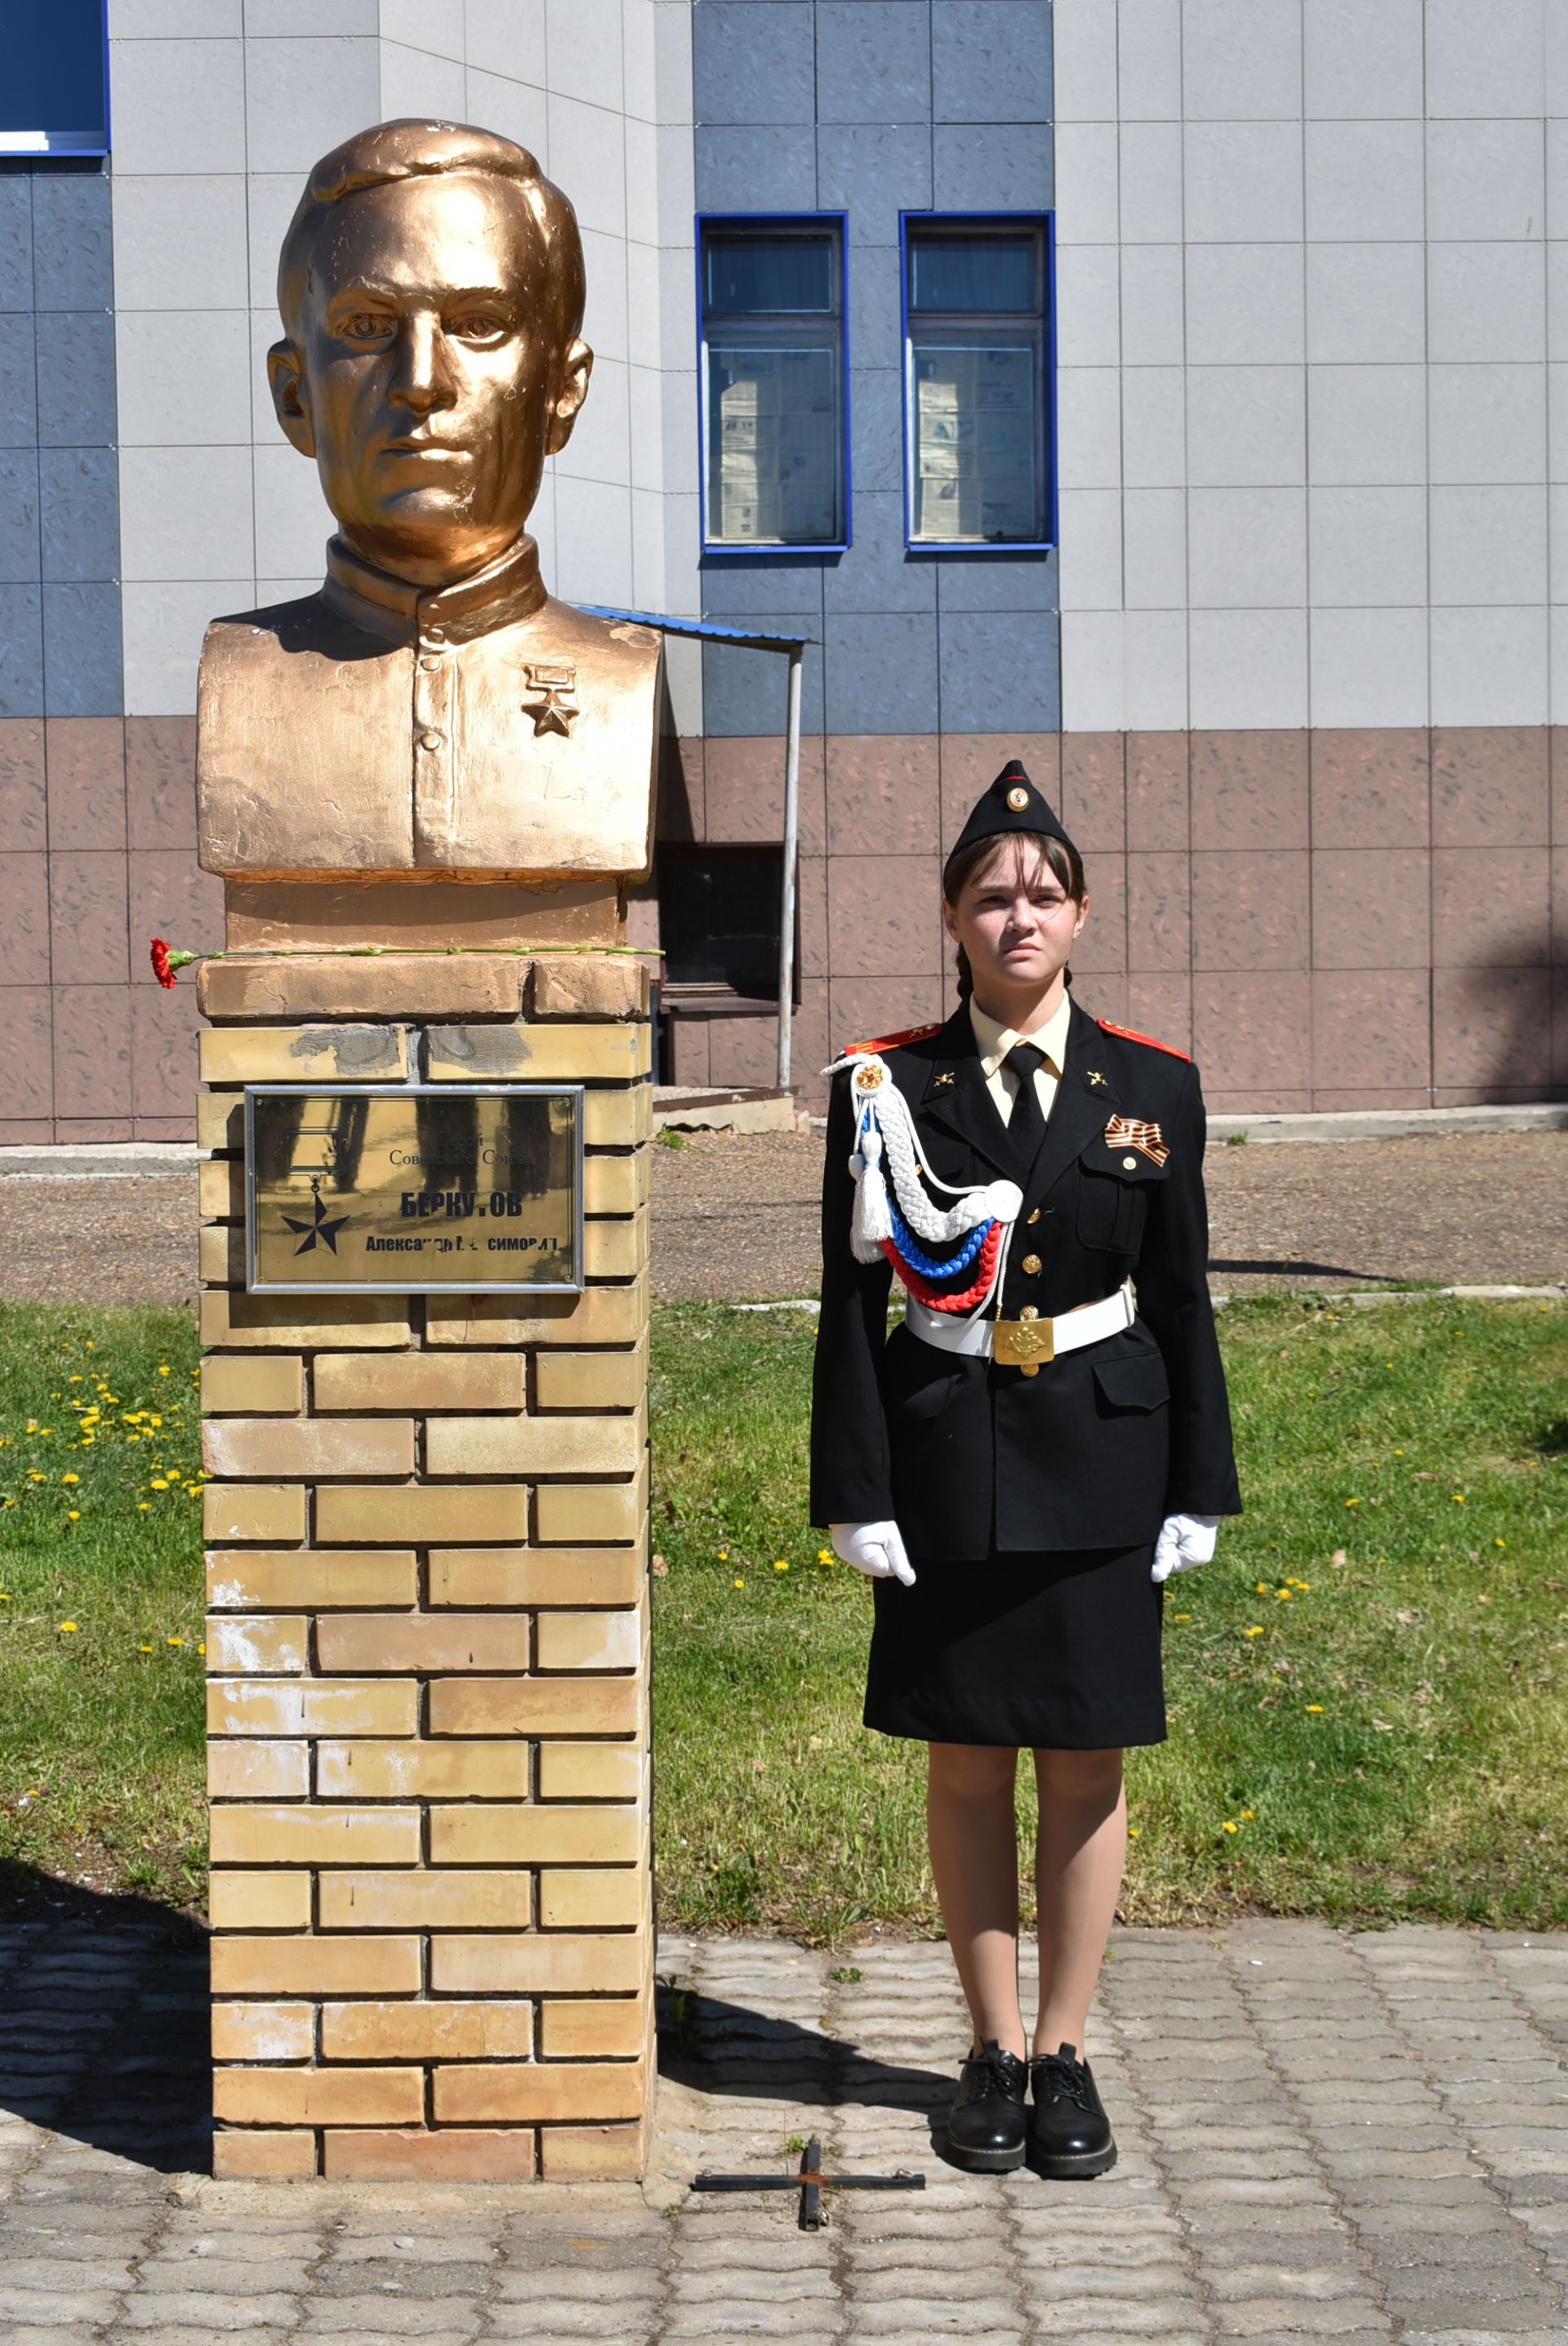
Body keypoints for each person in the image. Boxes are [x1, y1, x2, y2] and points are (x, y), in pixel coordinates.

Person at [811, 758, 1241, 2180]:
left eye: (1043, 893)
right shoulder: (888, 1085)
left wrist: (1198, 1486)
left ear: (1083, 913)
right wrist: (854, 1488)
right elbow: (845, 1306)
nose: (1019, 916)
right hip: (948, 1460)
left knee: (1085, 1760)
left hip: (1106, 1463)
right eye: (992, 895)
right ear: (951, 915)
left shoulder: (1156, 1088)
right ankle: (987, 2049)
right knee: (966, 1761)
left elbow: (1183, 1302)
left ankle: (1066, 2051)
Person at [197, 117, 659, 884]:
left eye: (478, 326)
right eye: (368, 326)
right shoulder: (240, 674)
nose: (422, 379)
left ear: (561, 393)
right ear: (294, 396)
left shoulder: (624, 675)